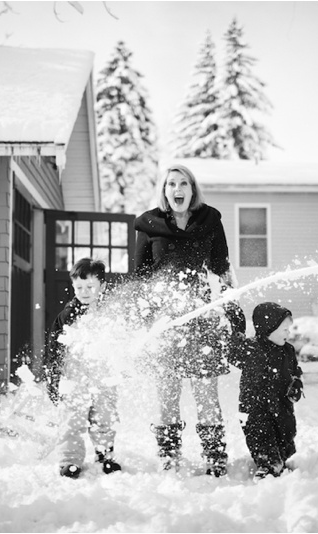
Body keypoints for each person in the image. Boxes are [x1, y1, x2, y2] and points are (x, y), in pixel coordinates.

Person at [134, 163, 242, 477]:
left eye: (184, 183)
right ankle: (169, 457)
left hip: (200, 316)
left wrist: (234, 313)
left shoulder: (210, 220)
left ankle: (214, 456)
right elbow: (141, 279)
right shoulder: (149, 224)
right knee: (167, 394)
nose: (178, 190)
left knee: (206, 392)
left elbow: (222, 269)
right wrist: (145, 325)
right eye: (172, 184)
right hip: (165, 322)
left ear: (192, 189)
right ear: (164, 190)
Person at [45, 258, 122, 478]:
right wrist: (55, 377)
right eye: (79, 287)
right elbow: (55, 349)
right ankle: (70, 460)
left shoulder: (110, 313)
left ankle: (105, 456)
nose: (84, 292)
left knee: (104, 418)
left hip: (103, 375)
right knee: (71, 420)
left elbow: (119, 343)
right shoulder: (68, 315)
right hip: (74, 376)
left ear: (102, 286)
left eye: (90, 287)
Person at [229, 302, 303, 481]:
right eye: (284, 329)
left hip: (281, 403)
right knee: (260, 435)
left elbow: (295, 370)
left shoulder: (288, 350)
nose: (288, 333)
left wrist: (297, 384)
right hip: (254, 405)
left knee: (284, 433)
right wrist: (236, 323)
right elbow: (233, 353)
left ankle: (280, 459)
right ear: (269, 329)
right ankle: (268, 464)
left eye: (288, 329)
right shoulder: (251, 348)